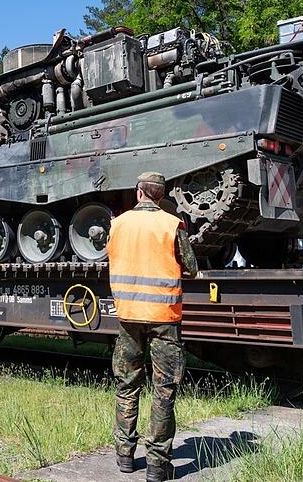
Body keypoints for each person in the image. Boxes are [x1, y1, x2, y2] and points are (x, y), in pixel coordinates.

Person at [107, 171, 198, 481]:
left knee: (127, 385)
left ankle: (124, 457)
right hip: (164, 319)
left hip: (128, 317)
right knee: (163, 391)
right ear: (162, 196)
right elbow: (192, 268)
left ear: (138, 193)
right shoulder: (172, 224)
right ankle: (158, 466)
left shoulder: (118, 223)